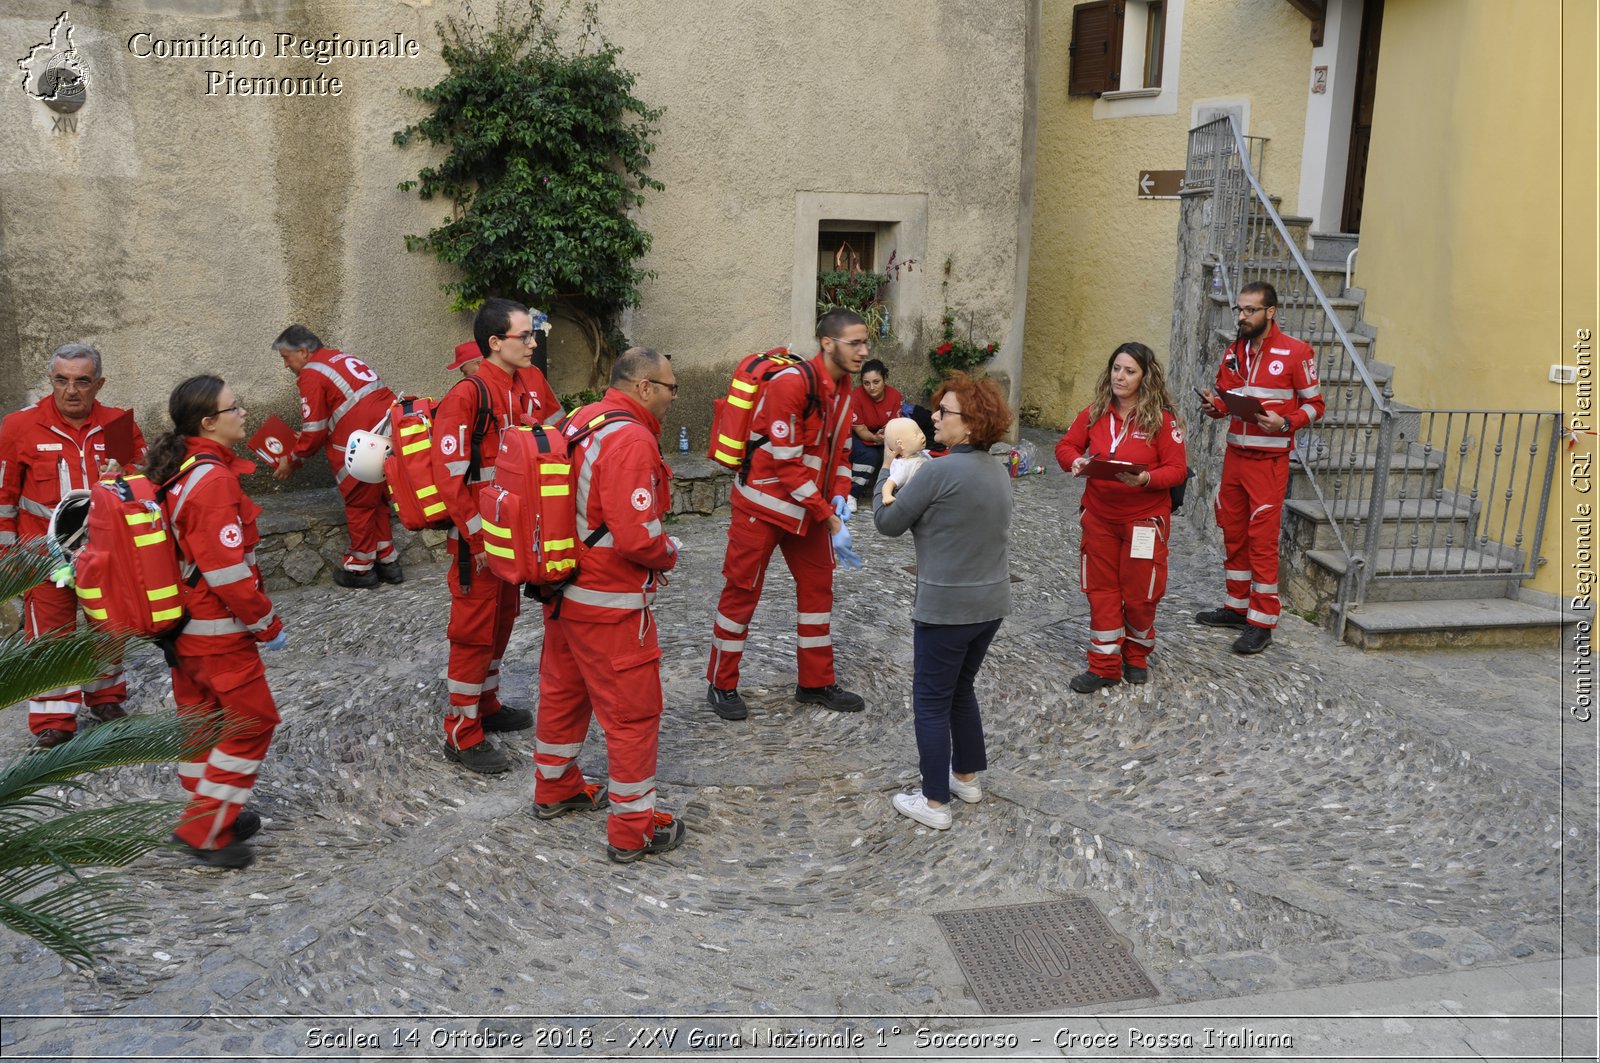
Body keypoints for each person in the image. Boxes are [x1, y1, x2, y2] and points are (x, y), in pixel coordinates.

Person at [532, 347, 686, 863]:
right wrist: (668, 555)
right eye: (670, 387)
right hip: (611, 604)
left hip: (563, 591)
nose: (672, 397)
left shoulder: (582, 419)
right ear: (643, 386)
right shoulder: (632, 439)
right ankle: (633, 830)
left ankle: (554, 787)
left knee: (563, 692)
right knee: (633, 717)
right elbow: (637, 537)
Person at [144, 375, 286, 868]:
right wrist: (267, 622)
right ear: (208, 423)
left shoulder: (180, 466)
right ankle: (206, 825)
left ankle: (211, 805)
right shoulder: (214, 479)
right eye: (235, 407)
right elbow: (228, 573)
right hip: (216, 632)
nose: (244, 413)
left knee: (201, 720)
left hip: (182, 629)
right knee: (253, 723)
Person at [705, 308, 868, 721]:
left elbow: (841, 451)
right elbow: (787, 464)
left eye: (866, 342)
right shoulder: (790, 385)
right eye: (855, 343)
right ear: (828, 343)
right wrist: (829, 517)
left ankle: (815, 683)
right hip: (764, 506)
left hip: (809, 510)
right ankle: (721, 684)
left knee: (818, 592)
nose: (864, 351)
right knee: (741, 593)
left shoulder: (846, 387)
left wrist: (843, 497)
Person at [872, 372, 1013, 830]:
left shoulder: (937, 470)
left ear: (969, 424)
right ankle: (966, 777)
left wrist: (888, 466)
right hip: (990, 602)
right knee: (961, 689)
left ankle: (934, 802)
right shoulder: (997, 469)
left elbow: (887, 522)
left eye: (944, 412)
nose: (933, 416)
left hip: (947, 607)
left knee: (931, 700)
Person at [433, 298, 562, 774]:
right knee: (471, 633)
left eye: (533, 335)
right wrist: (477, 540)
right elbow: (448, 476)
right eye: (524, 336)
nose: (533, 343)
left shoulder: (531, 381)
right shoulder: (466, 394)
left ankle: (486, 705)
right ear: (494, 343)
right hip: (480, 545)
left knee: (502, 621)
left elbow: (556, 434)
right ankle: (461, 731)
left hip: (517, 535)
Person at [0, 342, 147, 748]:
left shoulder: (119, 424)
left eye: (82, 381)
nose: (71, 390)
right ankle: (53, 720)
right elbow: (4, 495)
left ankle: (105, 698)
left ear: (98, 383)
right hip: (42, 554)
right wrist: (9, 558)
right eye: (62, 380)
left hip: (104, 552)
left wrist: (127, 476)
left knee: (108, 628)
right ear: (50, 381)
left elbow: (144, 486)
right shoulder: (18, 426)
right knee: (49, 635)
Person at [1196, 281, 1324, 654]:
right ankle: (1237, 607)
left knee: (1262, 542)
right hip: (1236, 457)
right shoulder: (1234, 351)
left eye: (1250, 310)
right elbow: (1225, 400)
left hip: (1269, 463)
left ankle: (1262, 622)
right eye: (1239, 310)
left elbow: (1316, 405)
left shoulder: (1297, 352)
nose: (1242, 316)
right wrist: (1213, 407)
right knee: (1233, 533)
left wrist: (1285, 423)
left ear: (1270, 312)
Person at [1055, 342, 1188, 692]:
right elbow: (1065, 446)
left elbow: (1177, 470)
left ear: (1145, 377)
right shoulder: (1094, 412)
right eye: (1116, 368)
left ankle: (1137, 655)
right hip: (1099, 517)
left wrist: (1146, 479)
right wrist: (1076, 462)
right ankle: (1104, 665)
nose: (1120, 376)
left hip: (1144, 521)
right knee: (1101, 591)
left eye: (1129, 371)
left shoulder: (1162, 420)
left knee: (1141, 593)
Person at [269, 326, 401, 589]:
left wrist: (293, 459)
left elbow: (315, 429)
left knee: (359, 505)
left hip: (359, 443)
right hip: (383, 435)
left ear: (304, 352)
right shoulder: (340, 358)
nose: (285, 365)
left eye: (286, 357)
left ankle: (361, 568)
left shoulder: (312, 373)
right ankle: (388, 562)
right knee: (375, 501)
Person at [848, 359, 904, 501]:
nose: (871, 387)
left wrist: (886, 433)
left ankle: (895, 495)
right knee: (870, 456)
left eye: (876, 382)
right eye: (866, 383)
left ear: (885, 379)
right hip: (859, 436)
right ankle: (852, 495)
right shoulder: (856, 397)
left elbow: (894, 424)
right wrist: (874, 438)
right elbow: (860, 429)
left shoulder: (895, 396)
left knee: (901, 452)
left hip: (885, 434)